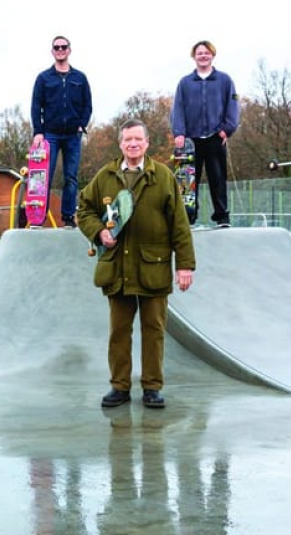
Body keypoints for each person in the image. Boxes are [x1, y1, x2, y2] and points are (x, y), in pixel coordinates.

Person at [77, 119, 195, 409]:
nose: (133, 144)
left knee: (153, 331)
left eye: (138, 139)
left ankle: (152, 388)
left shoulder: (164, 176)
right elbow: (84, 209)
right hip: (117, 268)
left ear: (146, 143)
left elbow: (179, 224)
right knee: (119, 332)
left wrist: (185, 265)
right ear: (120, 144)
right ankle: (119, 386)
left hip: (153, 267)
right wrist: (99, 232)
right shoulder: (105, 176)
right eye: (127, 139)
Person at [170, 40, 240, 227]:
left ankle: (221, 217)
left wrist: (227, 130)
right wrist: (179, 133)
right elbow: (177, 109)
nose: (203, 56)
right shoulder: (184, 83)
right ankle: (188, 218)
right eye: (199, 53)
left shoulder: (225, 80)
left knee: (217, 179)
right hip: (189, 140)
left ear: (212, 55)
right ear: (194, 56)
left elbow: (233, 107)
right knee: (186, 182)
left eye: (207, 53)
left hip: (215, 137)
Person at [31, 35, 93, 228]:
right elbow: (36, 106)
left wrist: (82, 124)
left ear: (69, 50)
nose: (60, 50)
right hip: (50, 135)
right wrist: (38, 132)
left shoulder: (80, 78)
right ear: (52, 52)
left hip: (73, 136)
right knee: (42, 177)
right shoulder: (43, 78)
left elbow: (87, 104)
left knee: (71, 177)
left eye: (63, 47)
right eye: (56, 48)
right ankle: (38, 218)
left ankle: (68, 217)